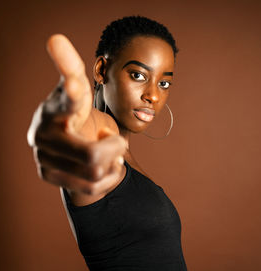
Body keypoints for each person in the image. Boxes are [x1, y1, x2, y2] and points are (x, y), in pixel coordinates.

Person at [27, 16, 187, 270]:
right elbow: (84, 129)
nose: (154, 95)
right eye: (138, 75)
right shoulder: (100, 135)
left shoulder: (122, 152)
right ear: (102, 70)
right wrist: (63, 125)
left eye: (164, 83)